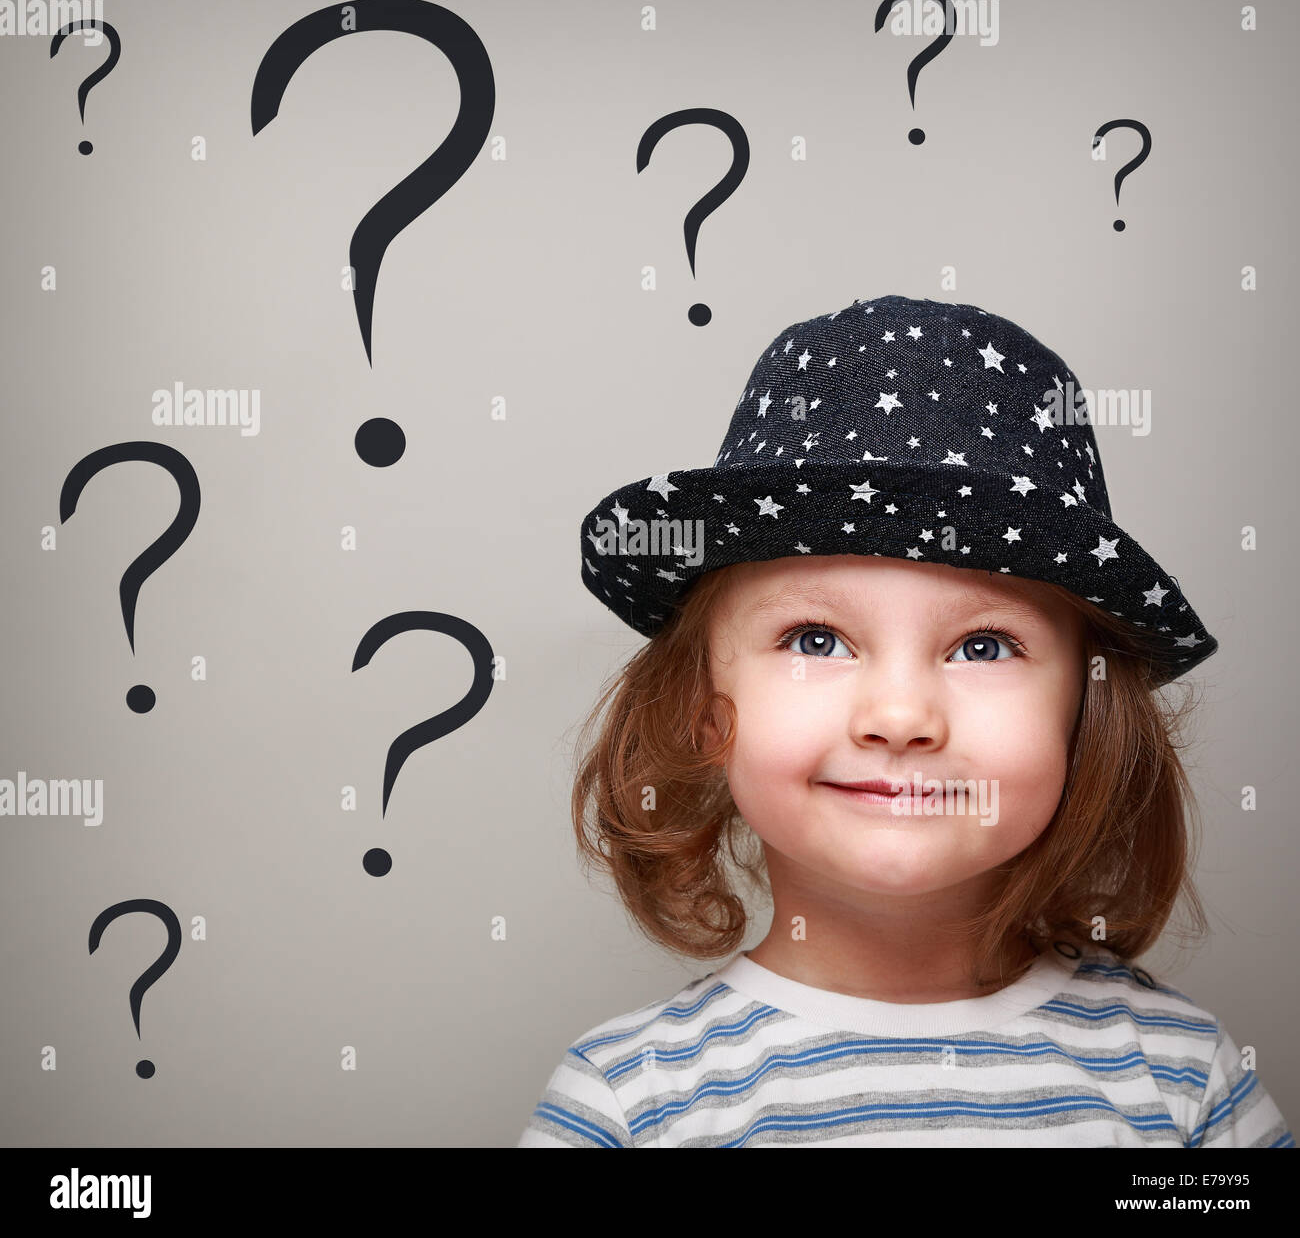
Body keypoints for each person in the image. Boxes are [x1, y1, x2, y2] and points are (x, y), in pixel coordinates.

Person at [518, 294, 1292, 1147]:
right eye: (816, 637)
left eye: (986, 646)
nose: (899, 715)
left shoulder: (1183, 1083)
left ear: (1085, 717)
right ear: (704, 712)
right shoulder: (631, 1104)